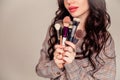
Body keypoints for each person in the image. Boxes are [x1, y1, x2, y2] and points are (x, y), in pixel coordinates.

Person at [36, 0, 116, 80]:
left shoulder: (104, 39)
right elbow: (40, 70)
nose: (69, 1)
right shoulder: (57, 29)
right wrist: (57, 65)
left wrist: (71, 64)